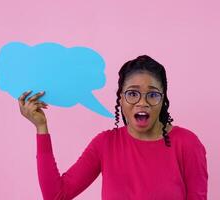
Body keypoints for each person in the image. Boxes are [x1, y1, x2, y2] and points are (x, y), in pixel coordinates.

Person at [18, 55, 208, 200]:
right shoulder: (106, 144)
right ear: (121, 99)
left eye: (152, 95)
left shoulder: (187, 144)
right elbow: (56, 195)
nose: (142, 102)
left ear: (163, 99)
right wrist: (41, 128)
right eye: (132, 94)